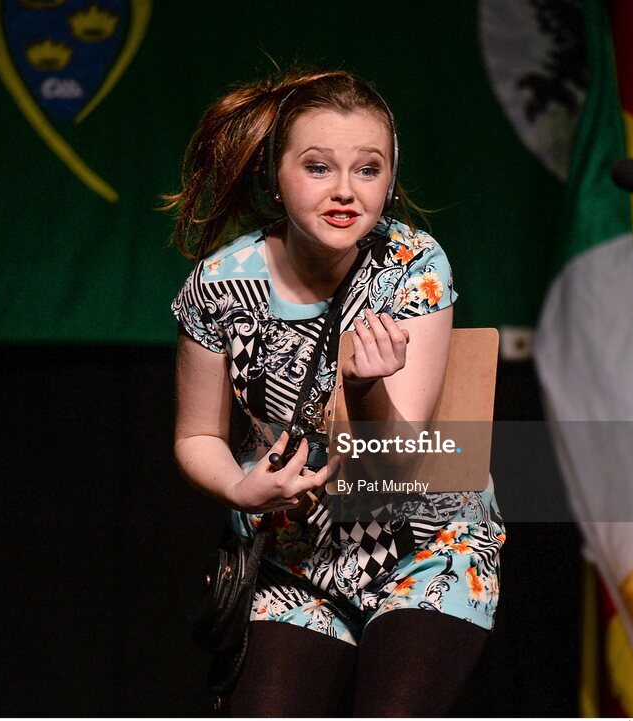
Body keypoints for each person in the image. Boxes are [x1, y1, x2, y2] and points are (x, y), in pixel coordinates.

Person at [167, 68, 505, 716]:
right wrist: (239, 487)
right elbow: (196, 435)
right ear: (274, 173)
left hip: (427, 547)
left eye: (368, 169)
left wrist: (365, 388)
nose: (346, 190)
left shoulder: (411, 265)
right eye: (318, 167)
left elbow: (401, 457)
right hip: (296, 559)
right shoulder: (220, 285)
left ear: (389, 178)